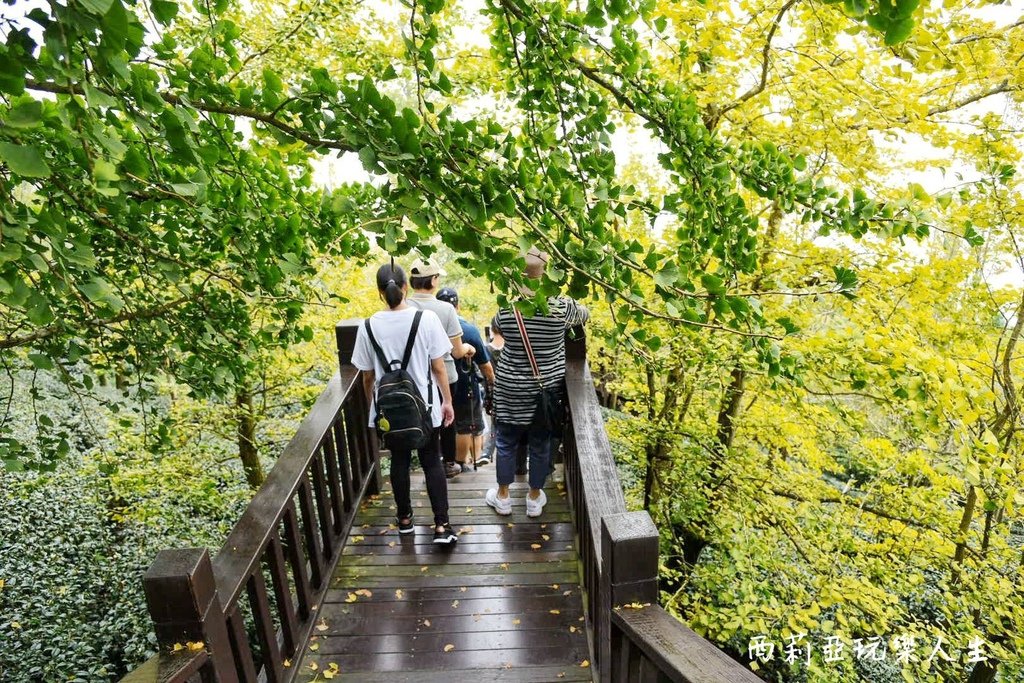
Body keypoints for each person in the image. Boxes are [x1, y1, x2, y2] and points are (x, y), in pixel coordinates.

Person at [350, 262, 458, 545]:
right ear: (406, 288)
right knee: (431, 460)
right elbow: (439, 367)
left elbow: (367, 376)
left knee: (399, 460)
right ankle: (441, 526)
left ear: (379, 292)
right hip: (426, 405)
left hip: (389, 411)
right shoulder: (426, 320)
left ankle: (406, 519)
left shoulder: (368, 326)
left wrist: (374, 409)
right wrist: (447, 401)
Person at [485, 249, 589, 518]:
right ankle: (533, 498)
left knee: (506, 441)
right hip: (544, 389)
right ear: (547, 276)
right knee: (540, 443)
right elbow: (584, 314)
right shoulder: (560, 308)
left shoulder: (507, 310)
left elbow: (497, 328)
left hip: (509, 387)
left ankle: (504, 496)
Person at [406, 257, 476, 480]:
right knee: (447, 419)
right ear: (434, 280)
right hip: (444, 375)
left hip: (413, 375)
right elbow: (456, 351)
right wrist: (468, 347)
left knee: (419, 418)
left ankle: (426, 461)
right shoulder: (446, 309)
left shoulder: (403, 306)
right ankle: (448, 463)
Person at [435, 287, 496, 471]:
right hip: (465, 386)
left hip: (435, 387)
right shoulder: (468, 330)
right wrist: (492, 382)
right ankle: (464, 463)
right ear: (458, 306)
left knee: (445, 426)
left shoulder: (429, 326)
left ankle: (452, 462)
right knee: (469, 426)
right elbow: (485, 364)